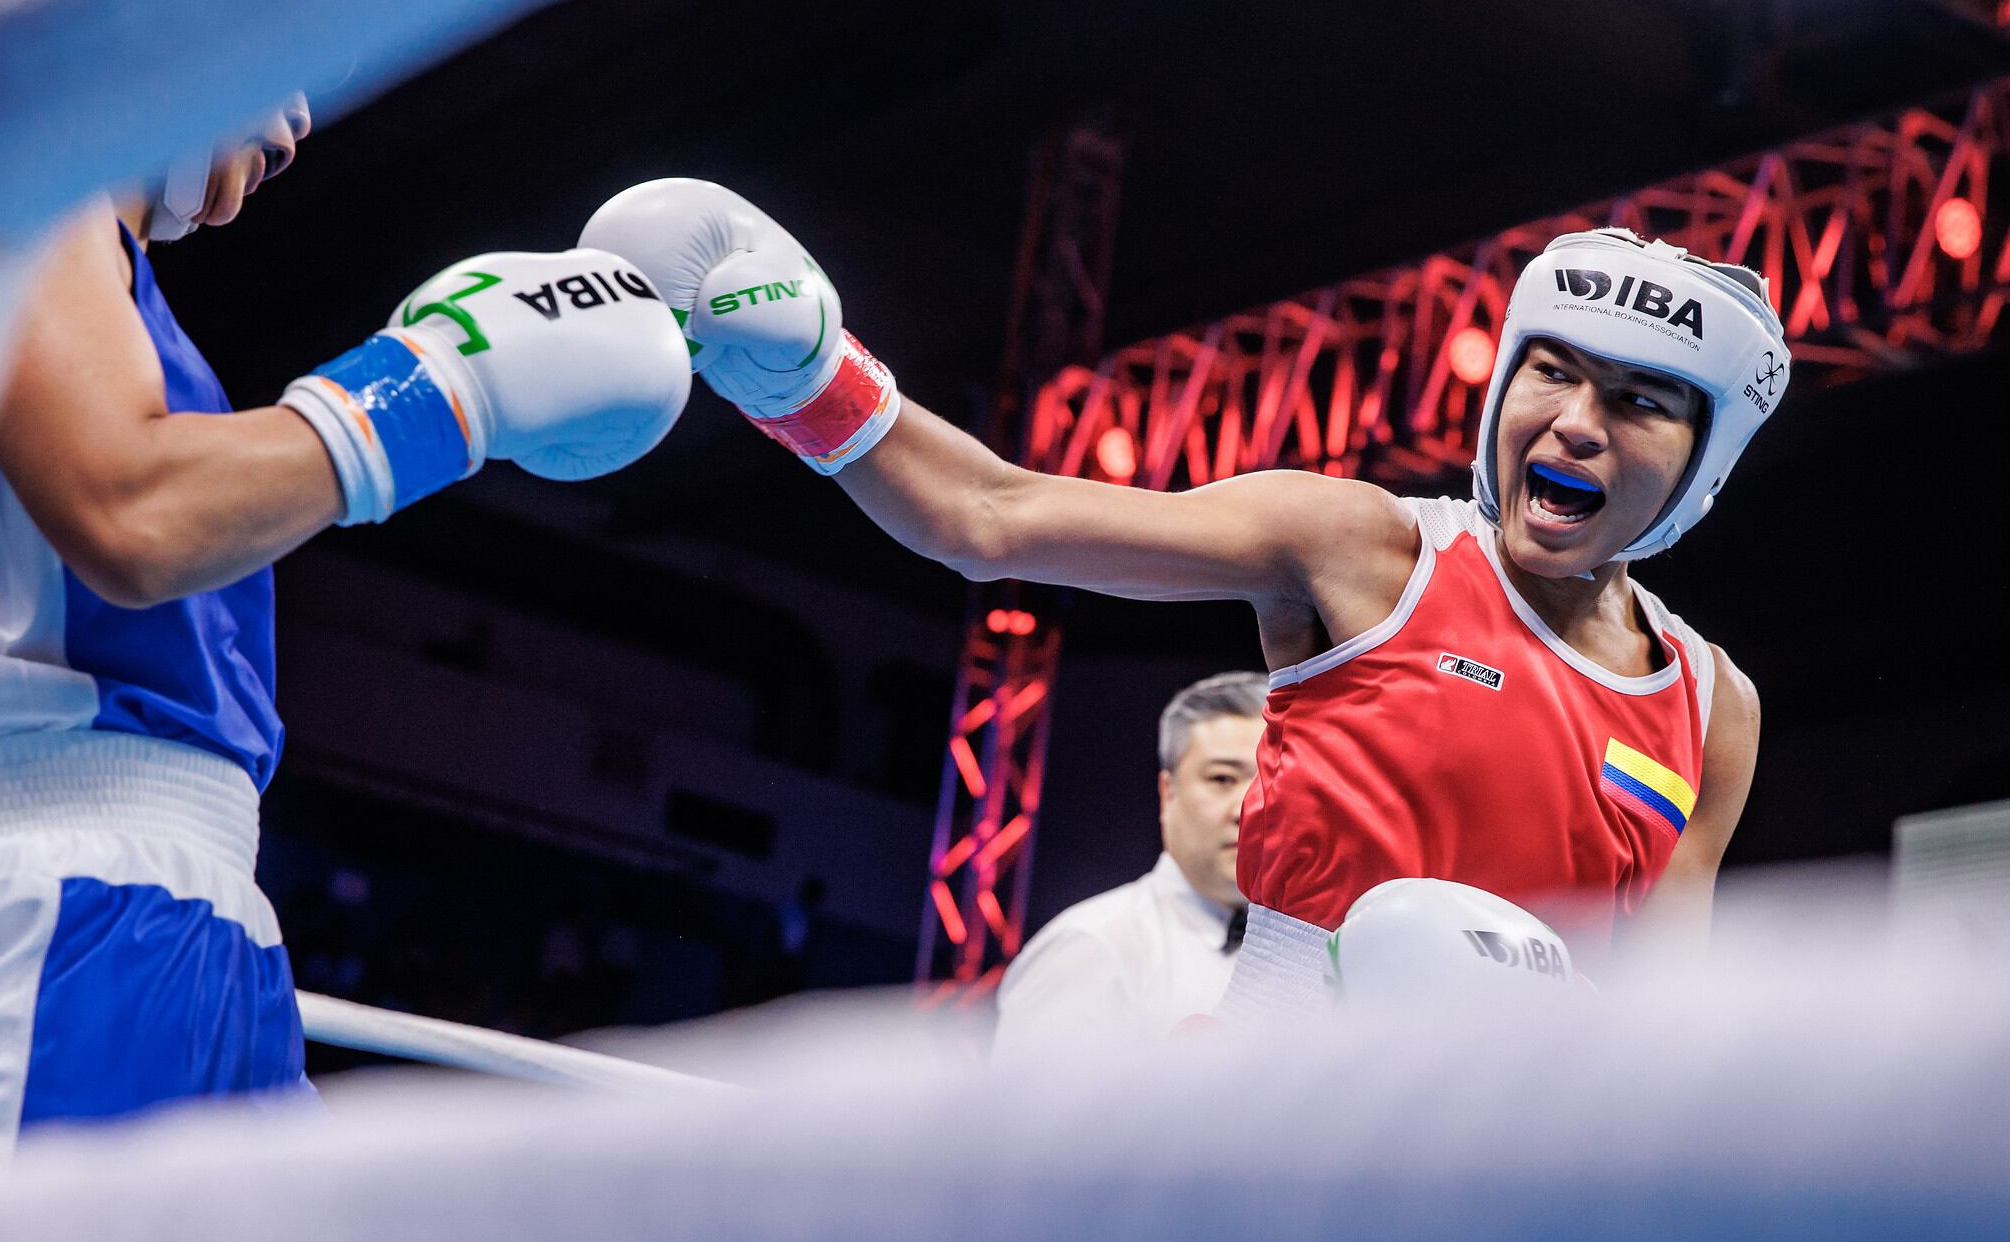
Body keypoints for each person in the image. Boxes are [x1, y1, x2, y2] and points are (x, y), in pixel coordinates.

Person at [579, 181, 1779, 1008]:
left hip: (1509, 1192)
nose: (1572, 421)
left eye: (1637, 401)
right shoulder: (1364, 548)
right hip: (1262, 1128)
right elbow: (991, 519)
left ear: (1701, 461)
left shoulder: (1711, 706)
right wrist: (805, 382)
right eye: (1551, 373)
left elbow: (1656, 1019)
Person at [0, 101, 693, 1161]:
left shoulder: (100, 268)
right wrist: (442, 384)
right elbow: (133, 512)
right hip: (60, 902)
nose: (296, 122)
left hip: (186, 915)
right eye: (289, 57)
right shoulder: (29, 174)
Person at [993, 672, 1265, 1060]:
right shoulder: (1094, 947)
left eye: (1271, 781)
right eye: (1222, 778)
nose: (1248, 809)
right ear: (1167, 793)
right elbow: (1025, 1118)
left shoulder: (1329, 945)